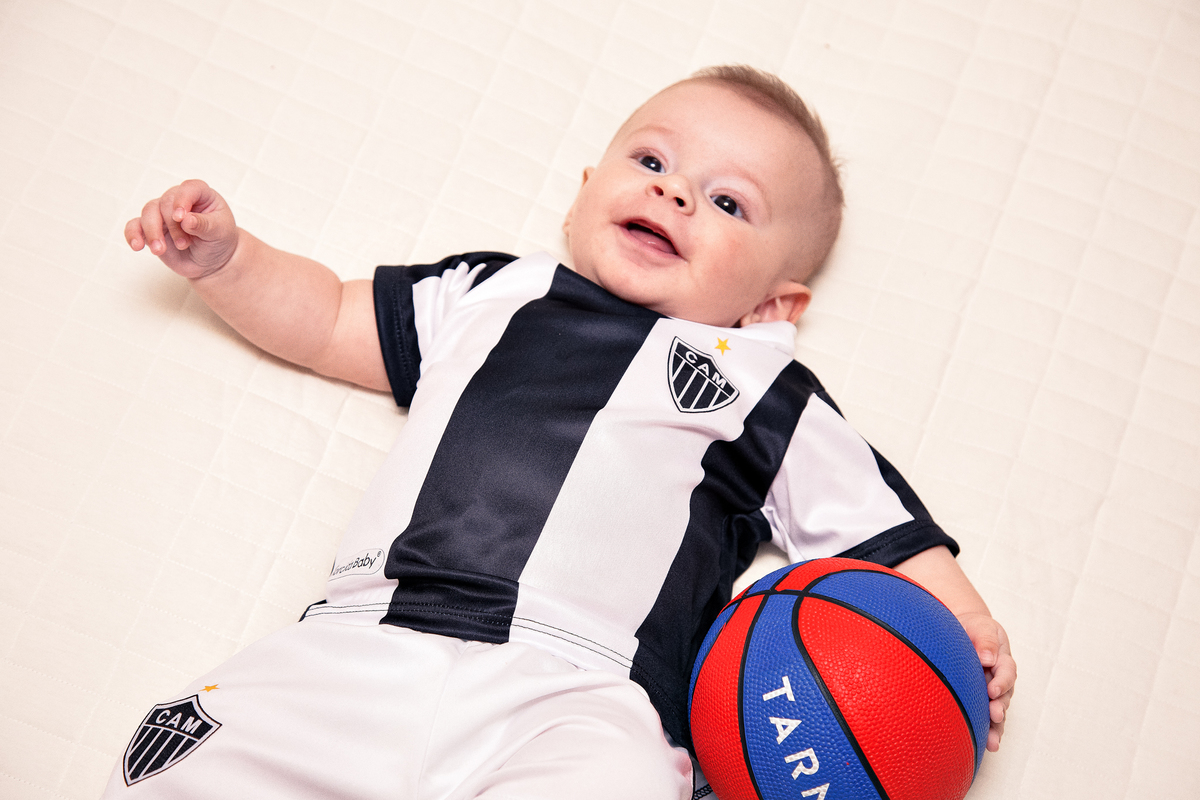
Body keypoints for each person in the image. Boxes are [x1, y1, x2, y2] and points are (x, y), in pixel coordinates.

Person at [109, 65, 1015, 799]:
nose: (676, 195)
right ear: (582, 199)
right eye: (650, 162)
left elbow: (882, 535)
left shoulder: (765, 383)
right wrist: (230, 263)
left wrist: (964, 632)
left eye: (728, 203)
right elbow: (325, 317)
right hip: (364, 636)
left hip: (587, 693)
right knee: (200, 761)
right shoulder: (490, 293)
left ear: (775, 304)